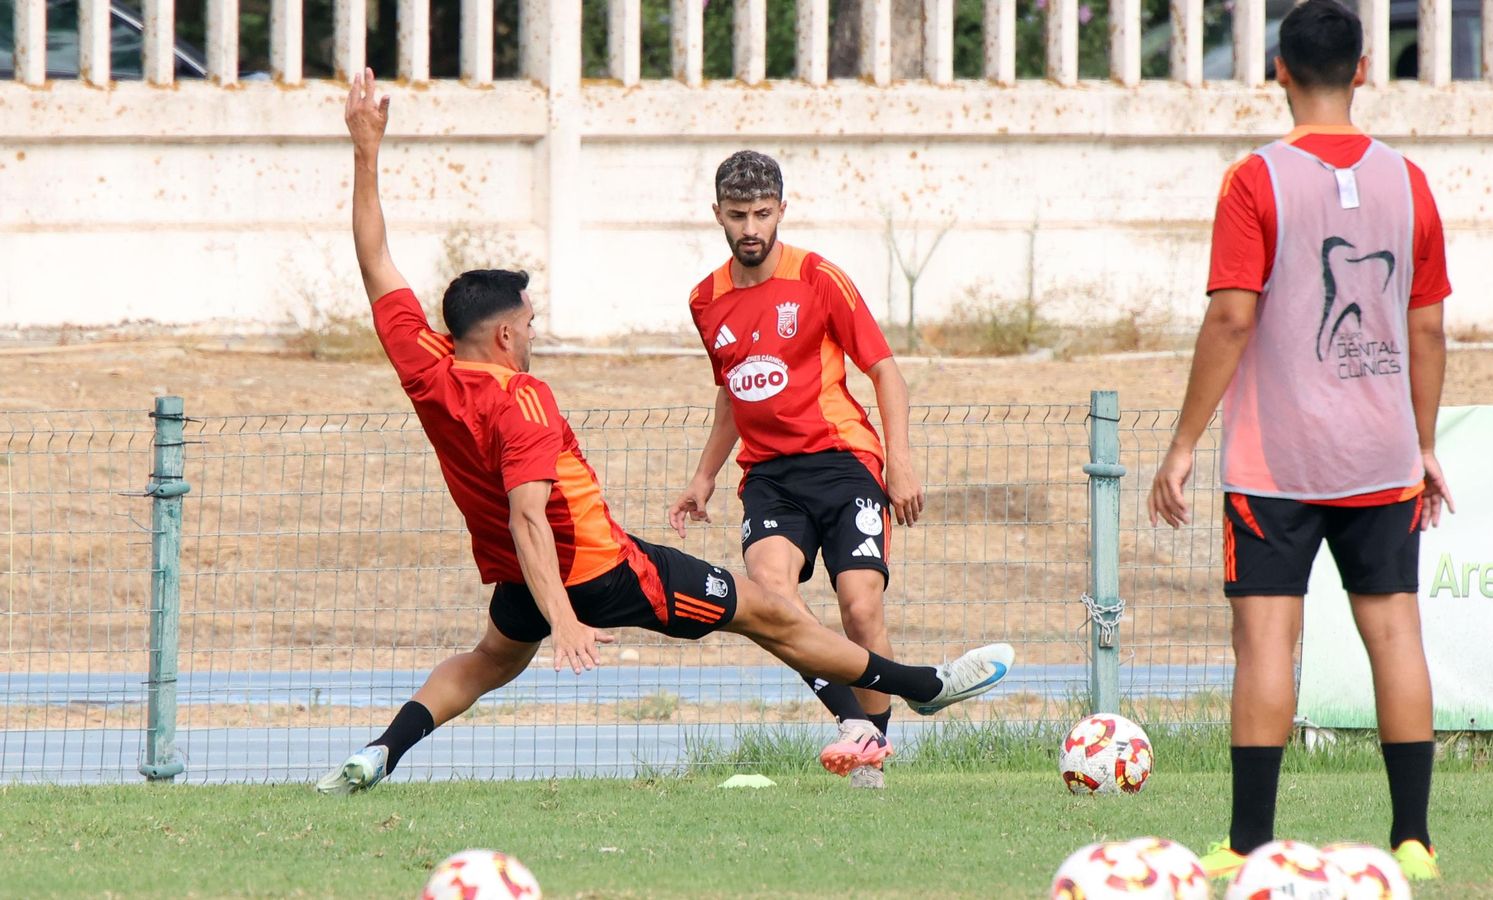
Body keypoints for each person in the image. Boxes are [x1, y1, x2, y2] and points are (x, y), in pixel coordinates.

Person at [316, 72, 1013, 795]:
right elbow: (529, 517)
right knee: (766, 610)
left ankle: (379, 752)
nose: (534, 332)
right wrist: (565, 620)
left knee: (488, 660)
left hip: (521, 577)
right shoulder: (524, 400)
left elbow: (375, 260)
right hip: (604, 573)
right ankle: (923, 685)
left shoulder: (426, 366)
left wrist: (366, 151)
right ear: (501, 336)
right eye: (529, 323)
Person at [1146, 0, 1453, 882]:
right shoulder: (1409, 181)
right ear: (1364, 70)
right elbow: (1428, 330)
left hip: (1276, 461)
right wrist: (1423, 443)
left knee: (1265, 644)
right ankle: (1414, 842)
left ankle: (1249, 845)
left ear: (1277, 70)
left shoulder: (1254, 180)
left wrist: (1182, 442)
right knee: (1395, 634)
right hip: (1381, 456)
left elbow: (1231, 317)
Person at [668, 151, 923, 789]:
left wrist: (900, 463)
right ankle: (858, 729)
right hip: (769, 477)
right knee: (771, 598)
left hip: (843, 462)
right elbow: (734, 391)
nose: (750, 228)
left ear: (782, 209)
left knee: (859, 608)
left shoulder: (818, 277)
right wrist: (703, 476)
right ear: (717, 215)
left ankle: (872, 751)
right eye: (737, 215)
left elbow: (885, 370)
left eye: (761, 213)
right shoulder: (705, 300)